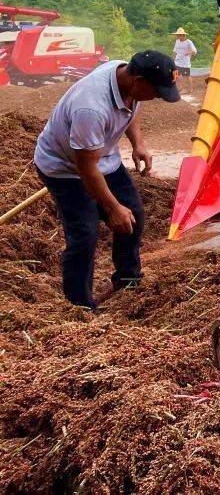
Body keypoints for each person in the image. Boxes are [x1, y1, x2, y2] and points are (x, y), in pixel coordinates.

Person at [34, 51, 181, 310]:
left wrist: (138, 144)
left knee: (133, 214)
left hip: (101, 159)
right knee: (85, 233)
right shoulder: (90, 107)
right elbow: (86, 168)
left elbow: (132, 108)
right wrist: (112, 208)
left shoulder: (123, 74)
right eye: (156, 91)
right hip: (66, 168)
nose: (158, 96)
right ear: (137, 81)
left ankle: (128, 279)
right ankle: (78, 305)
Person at [172, 28, 197, 95]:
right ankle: (181, 88)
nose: (178, 36)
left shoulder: (188, 42)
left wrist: (189, 52)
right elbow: (175, 51)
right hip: (177, 61)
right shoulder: (177, 41)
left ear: (183, 35)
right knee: (177, 75)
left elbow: (194, 51)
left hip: (185, 62)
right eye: (178, 35)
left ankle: (190, 88)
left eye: (180, 35)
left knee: (186, 75)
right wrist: (173, 59)